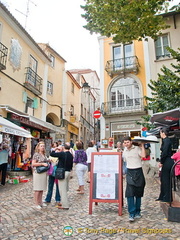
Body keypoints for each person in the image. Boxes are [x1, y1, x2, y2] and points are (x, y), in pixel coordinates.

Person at [123, 136, 146, 222]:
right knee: (130, 193)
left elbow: (143, 155)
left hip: (138, 171)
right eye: (125, 143)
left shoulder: (137, 148)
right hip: (129, 172)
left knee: (138, 193)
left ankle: (137, 212)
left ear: (131, 142)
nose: (126, 144)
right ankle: (131, 213)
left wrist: (142, 146)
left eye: (127, 142)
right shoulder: (124, 150)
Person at [50, 143, 73, 210]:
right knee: (65, 188)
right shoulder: (71, 155)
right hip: (68, 172)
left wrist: (55, 149)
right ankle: (63, 202)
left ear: (64, 148)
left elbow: (52, 154)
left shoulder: (63, 154)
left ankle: (65, 205)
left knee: (62, 189)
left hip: (62, 172)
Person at [156, 127, 174, 203]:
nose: (160, 134)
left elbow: (165, 153)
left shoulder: (167, 141)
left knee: (166, 179)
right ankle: (163, 196)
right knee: (163, 179)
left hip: (167, 161)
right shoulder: (165, 141)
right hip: (166, 160)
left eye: (160, 133)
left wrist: (161, 162)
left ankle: (167, 197)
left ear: (163, 133)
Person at [31, 141, 49, 210]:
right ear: (38, 147)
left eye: (43, 146)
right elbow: (33, 164)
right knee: (37, 189)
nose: (43, 147)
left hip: (43, 172)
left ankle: (40, 202)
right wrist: (42, 164)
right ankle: (36, 203)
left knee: (41, 188)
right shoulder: (36, 154)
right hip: (38, 172)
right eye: (41, 146)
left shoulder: (44, 154)